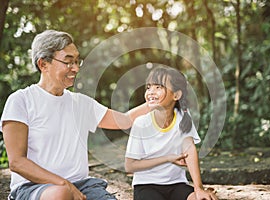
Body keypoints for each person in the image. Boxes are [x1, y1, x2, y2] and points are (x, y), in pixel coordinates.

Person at [0, 30, 151, 200]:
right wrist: (64, 185)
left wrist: (155, 102)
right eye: (68, 62)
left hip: (82, 185)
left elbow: (124, 121)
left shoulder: (81, 103)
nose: (76, 68)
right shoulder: (21, 101)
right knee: (60, 194)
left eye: (77, 61)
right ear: (43, 64)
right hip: (33, 187)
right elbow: (17, 162)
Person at [125, 66, 218, 200]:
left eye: (158, 87)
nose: (151, 92)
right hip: (146, 186)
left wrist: (199, 188)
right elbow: (130, 166)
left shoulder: (183, 117)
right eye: (149, 87)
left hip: (176, 185)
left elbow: (190, 149)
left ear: (176, 95)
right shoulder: (141, 123)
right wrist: (167, 158)